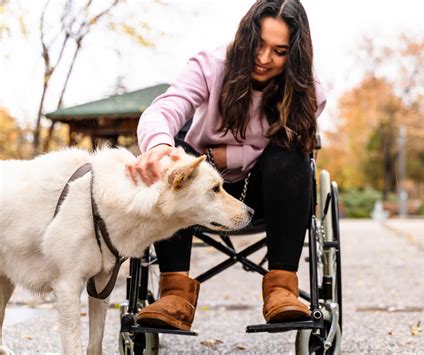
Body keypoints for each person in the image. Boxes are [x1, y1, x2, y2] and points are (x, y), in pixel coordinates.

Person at [126, 0, 326, 331]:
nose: (264, 59)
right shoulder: (211, 65)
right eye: (259, 45)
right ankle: (174, 294)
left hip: (268, 192)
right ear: (245, 36)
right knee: (177, 158)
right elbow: (164, 109)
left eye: (279, 51)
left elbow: (296, 141)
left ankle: (281, 288)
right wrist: (160, 146)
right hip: (201, 190)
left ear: (295, 54)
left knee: (292, 155)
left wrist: (232, 157)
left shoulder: (309, 91)